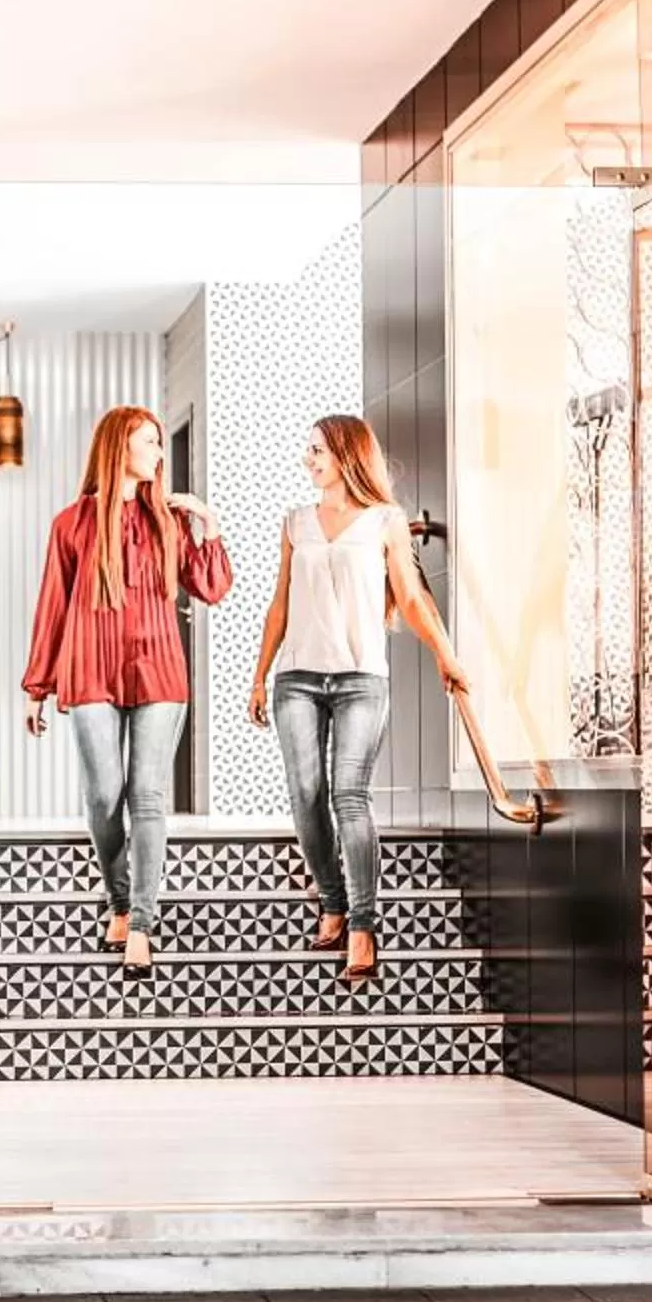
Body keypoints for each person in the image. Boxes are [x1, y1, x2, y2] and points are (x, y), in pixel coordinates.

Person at [248, 415, 471, 985]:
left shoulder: (385, 522)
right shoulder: (296, 522)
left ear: (347, 454)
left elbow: (412, 599)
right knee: (305, 792)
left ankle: (363, 924)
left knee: (350, 793)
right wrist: (258, 675)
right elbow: (280, 603)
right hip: (296, 677)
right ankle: (331, 899)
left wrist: (446, 655)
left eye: (318, 450)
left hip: (360, 680)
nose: (308, 459)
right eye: (309, 450)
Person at [23, 406, 231, 977]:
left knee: (147, 796)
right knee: (103, 795)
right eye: (150, 442)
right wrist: (37, 686)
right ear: (120, 447)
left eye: (161, 443)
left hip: (159, 670)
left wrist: (207, 526)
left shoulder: (166, 521)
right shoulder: (71, 524)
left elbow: (211, 588)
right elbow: (53, 607)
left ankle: (140, 922)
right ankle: (118, 898)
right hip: (89, 668)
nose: (160, 454)